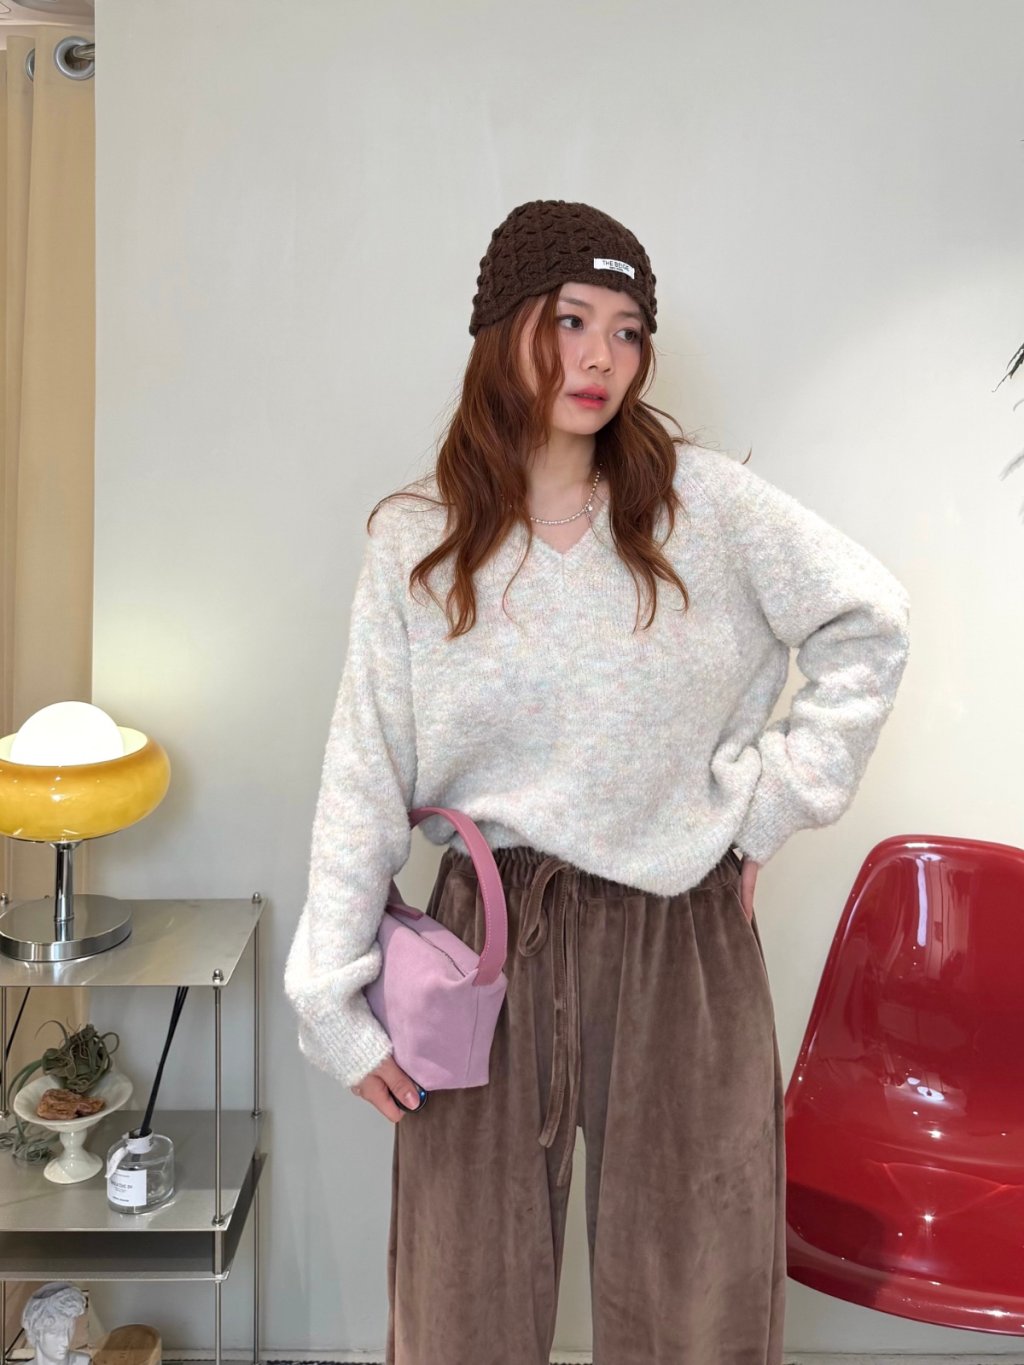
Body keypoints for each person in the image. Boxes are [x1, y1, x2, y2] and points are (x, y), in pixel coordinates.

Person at [284, 199, 911, 1363]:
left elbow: (867, 619)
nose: (600, 358)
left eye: (627, 331)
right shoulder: (418, 541)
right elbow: (364, 769)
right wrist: (333, 1001)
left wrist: (768, 809)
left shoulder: (705, 509)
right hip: (484, 943)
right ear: (504, 328)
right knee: (460, 1303)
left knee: (695, 1296)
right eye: (571, 320)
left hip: (679, 936)